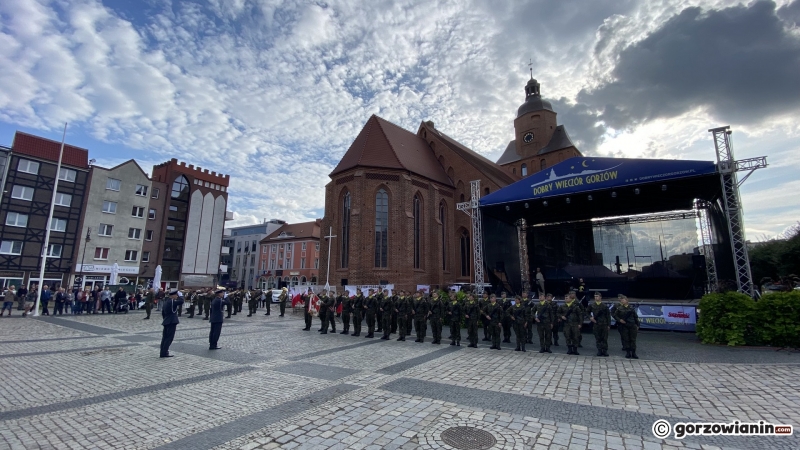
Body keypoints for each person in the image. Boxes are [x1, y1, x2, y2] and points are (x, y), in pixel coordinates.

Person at [613, 294, 640, 359]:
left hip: (632, 325)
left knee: (633, 340)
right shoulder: (619, 308)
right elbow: (615, 315)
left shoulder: (631, 308)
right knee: (626, 339)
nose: (622, 301)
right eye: (621, 300)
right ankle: (628, 352)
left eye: (623, 300)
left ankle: (633, 353)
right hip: (624, 326)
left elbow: (635, 317)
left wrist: (638, 325)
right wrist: (619, 320)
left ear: (627, 300)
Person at [159, 289, 184, 358]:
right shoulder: (172, 302)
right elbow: (181, 301)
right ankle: (165, 352)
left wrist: (165, 319)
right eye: (176, 295)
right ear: (173, 295)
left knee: (165, 337)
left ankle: (163, 351)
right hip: (171, 321)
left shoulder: (166, 301)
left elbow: (163, 312)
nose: (177, 296)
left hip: (166, 321)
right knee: (169, 338)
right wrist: (181, 295)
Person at [586, 292, 611, 357]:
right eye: (595, 296)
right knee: (598, 338)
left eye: (597, 296)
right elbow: (586, 312)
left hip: (604, 324)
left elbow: (608, 316)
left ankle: (605, 350)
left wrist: (608, 325)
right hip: (596, 324)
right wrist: (590, 318)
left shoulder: (604, 306)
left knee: (604, 338)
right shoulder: (592, 305)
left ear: (600, 297)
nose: (596, 298)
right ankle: (599, 350)